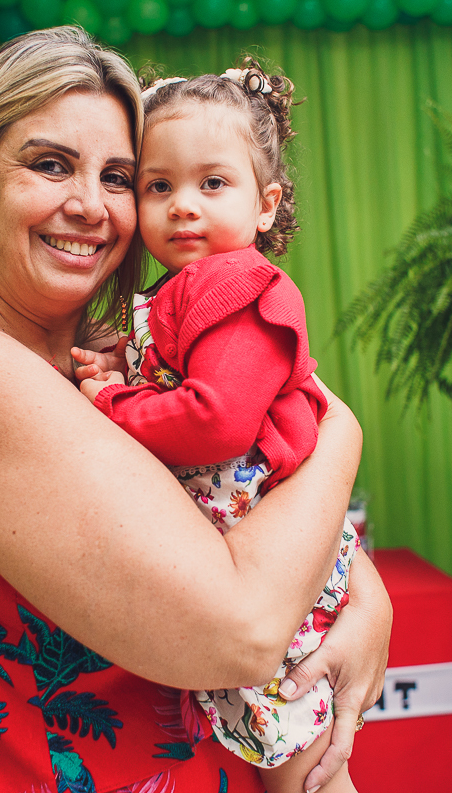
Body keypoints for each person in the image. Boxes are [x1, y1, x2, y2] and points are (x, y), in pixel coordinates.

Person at [0, 26, 392, 793]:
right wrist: (342, 431)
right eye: (50, 165)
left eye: (118, 176)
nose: (89, 205)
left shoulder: (104, 354)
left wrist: (366, 594)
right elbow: (244, 630)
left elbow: (232, 512)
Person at [71, 60, 358, 793]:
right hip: (229, 535)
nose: (183, 206)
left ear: (267, 205)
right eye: (158, 187)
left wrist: (109, 405)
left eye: (213, 184)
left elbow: (218, 419)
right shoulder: (180, 289)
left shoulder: (238, 285)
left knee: (301, 752)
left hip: (257, 524)